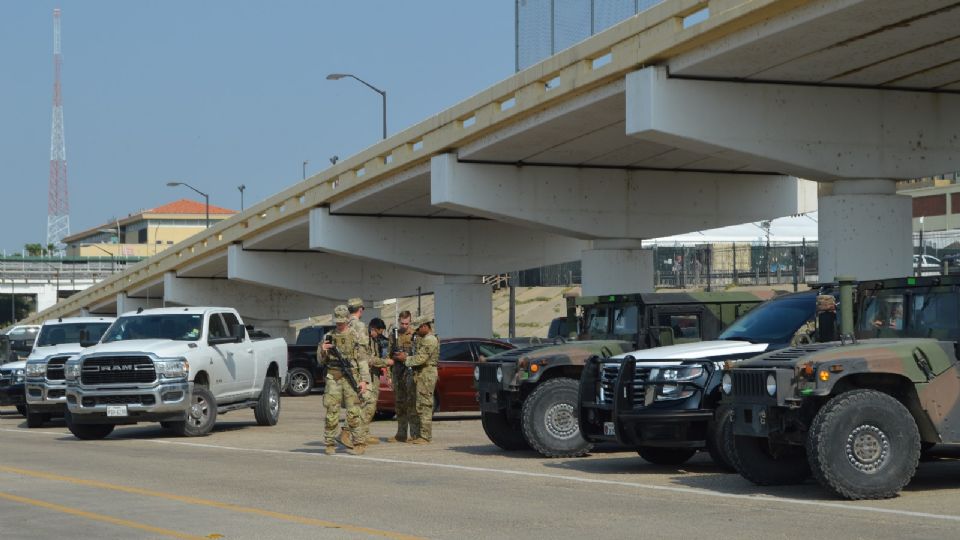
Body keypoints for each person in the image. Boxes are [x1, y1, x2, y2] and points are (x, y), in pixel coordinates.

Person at [319, 305, 371, 455]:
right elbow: (321, 360)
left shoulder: (356, 336)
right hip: (333, 377)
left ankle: (359, 443)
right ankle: (329, 443)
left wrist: (364, 381)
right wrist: (323, 350)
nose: (339, 324)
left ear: (348, 319)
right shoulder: (328, 337)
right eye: (337, 321)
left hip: (351, 377)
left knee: (354, 412)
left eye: (342, 321)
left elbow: (362, 360)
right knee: (331, 412)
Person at [399, 315, 439, 444]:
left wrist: (405, 359)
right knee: (416, 405)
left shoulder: (430, 340)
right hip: (419, 373)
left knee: (425, 405)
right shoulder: (420, 338)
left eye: (418, 329)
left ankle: (425, 436)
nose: (415, 331)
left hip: (426, 374)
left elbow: (421, 358)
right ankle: (417, 435)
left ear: (425, 326)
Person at [387, 311, 418, 443]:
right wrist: (389, 375)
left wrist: (406, 357)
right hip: (398, 372)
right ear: (399, 321)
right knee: (400, 404)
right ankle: (401, 433)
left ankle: (415, 434)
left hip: (411, 372)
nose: (404, 326)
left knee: (412, 404)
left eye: (407, 323)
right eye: (402, 323)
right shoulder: (394, 335)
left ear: (410, 322)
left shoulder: (415, 335)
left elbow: (419, 355)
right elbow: (389, 355)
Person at [360, 317, 390, 445]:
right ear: (373, 329)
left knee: (371, 406)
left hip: (374, 375)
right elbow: (369, 359)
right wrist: (385, 362)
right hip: (367, 377)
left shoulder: (373, 340)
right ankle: (361, 434)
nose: (380, 335)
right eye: (379, 332)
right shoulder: (365, 340)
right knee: (368, 405)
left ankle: (365, 433)